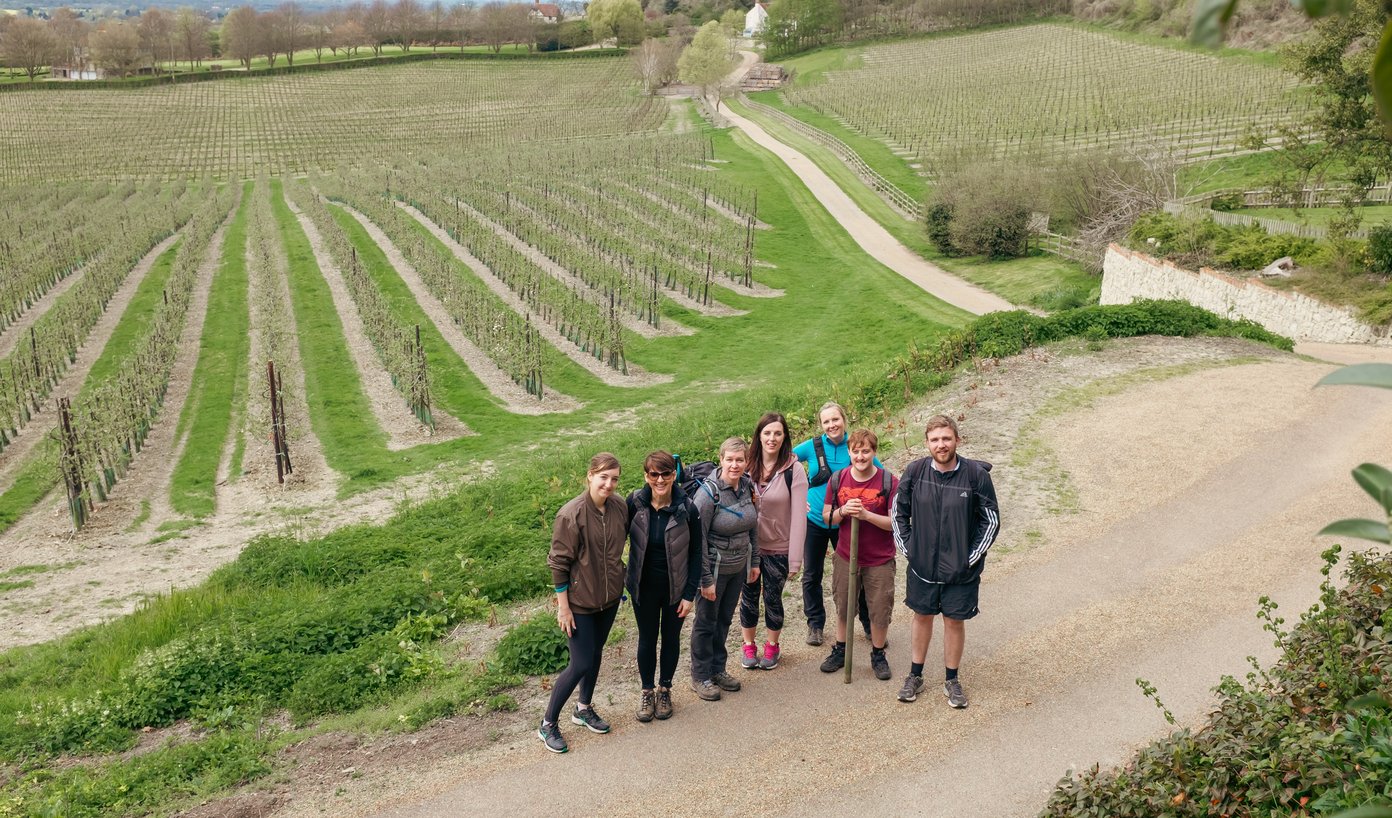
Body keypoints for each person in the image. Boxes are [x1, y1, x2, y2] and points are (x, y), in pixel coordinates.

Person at [891, 415, 999, 709]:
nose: (941, 444)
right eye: (935, 439)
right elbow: (898, 514)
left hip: (960, 572)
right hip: (922, 568)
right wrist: (911, 551)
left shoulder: (976, 476)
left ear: (957, 441)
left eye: (946, 438)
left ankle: (952, 680)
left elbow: (990, 522)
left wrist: (969, 558)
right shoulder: (914, 473)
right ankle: (916, 675)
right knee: (922, 617)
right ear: (927, 443)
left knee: (954, 622)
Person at [539, 452, 629, 753]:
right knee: (580, 662)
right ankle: (548, 723)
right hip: (579, 601)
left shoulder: (619, 507)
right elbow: (559, 564)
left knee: (596, 653)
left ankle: (583, 707)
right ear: (590, 476)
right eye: (603, 477)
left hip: (609, 597)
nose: (609, 484)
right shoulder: (570, 514)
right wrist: (563, 607)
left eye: (614, 479)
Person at [626, 451, 703, 722]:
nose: (660, 480)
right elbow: (614, 541)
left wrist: (689, 593)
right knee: (647, 639)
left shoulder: (688, 509)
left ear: (674, 474)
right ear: (646, 476)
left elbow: (696, 553)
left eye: (666, 473)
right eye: (654, 474)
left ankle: (665, 689)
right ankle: (647, 691)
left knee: (670, 639)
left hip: (675, 589)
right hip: (643, 589)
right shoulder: (635, 503)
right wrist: (624, 575)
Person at [793, 402, 876, 647]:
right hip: (815, 521)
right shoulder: (812, 446)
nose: (832, 425)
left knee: (856, 573)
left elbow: (881, 475)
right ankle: (815, 625)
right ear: (821, 425)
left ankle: (867, 623)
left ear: (844, 419)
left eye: (835, 420)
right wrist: (795, 498)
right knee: (812, 574)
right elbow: (781, 464)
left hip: (846, 523)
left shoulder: (856, 446)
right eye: (826, 421)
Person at [820, 429, 899, 681]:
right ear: (849, 452)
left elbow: (894, 523)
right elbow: (827, 517)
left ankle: (878, 653)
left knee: (879, 609)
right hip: (846, 556)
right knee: (844, 606)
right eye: (856, 451)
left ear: (874, 453)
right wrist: (843, 511)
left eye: (866, 451)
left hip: (879, 559)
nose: (861, 456)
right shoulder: (838, 479)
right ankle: (841, 650)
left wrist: (866, 515)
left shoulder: (889, 482)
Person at [689, 436, 759, 701]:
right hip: (714, 570)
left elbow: (754, 524)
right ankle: (700, 676)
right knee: (705, 622)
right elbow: (698, 540)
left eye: (739, 460)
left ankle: (717, 669)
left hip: (738, 566)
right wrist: (704, 579)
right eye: (729, 459)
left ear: (746, 461)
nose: (735, 464)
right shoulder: (708, 495)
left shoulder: (747, 486)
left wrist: (754, 562)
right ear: (721, 460)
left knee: (724, 620)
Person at [739, 412, 808, 671]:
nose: (772, 438)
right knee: (748, 598)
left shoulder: (794, 470)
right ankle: (748, 646)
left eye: (777, 433)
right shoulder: (745, 466)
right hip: (747, 548)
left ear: (785, 437)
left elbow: (800, 516)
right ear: (758, 436)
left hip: (779, 547)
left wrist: (795, 557)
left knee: (772, 598)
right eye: (767, 433)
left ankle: (772, 645)